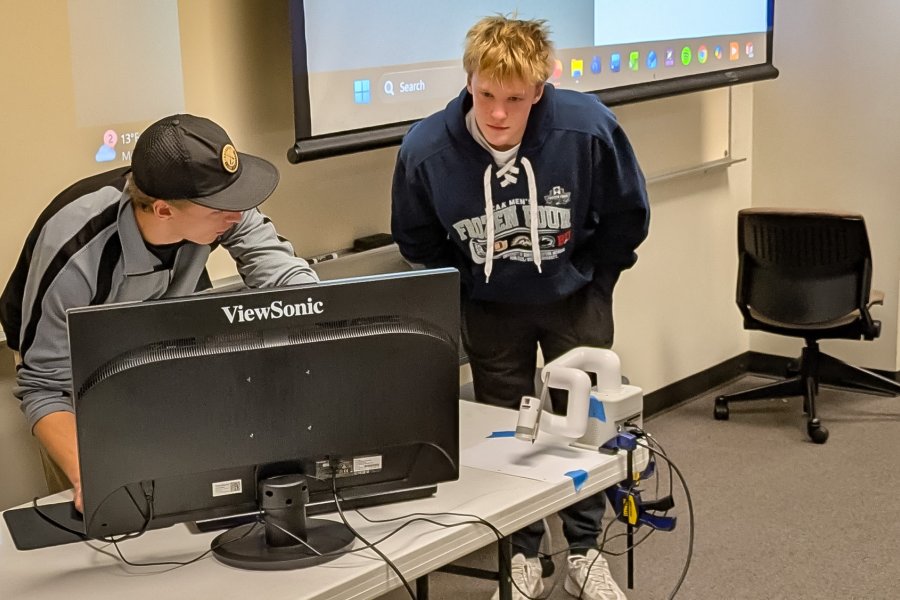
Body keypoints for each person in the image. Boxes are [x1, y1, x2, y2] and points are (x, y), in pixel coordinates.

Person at [391, 15, 649, 600]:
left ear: (540, 88)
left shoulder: (587, 129)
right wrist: (468, 291)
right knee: (510, 430)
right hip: (490, 309)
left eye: (515, 98)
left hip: (574, 299)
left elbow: (627, 215)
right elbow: (418, 240)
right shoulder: (427, 149)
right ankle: (524, 552)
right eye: (486, 95)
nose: (498, 114)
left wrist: (596, 282)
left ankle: (585, 549)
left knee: (581, 424)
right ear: (468, 82)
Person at [0, 114, 318, 512]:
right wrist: (90, 480)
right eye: (223, 207)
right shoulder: (76, 251)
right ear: (164, 211)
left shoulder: (221, 207)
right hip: (69, 361)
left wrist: (323, 328)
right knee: (108, 503)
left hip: (162, 329)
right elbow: (46, 387)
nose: (238, 214)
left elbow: (286, 283)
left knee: (188, 480)